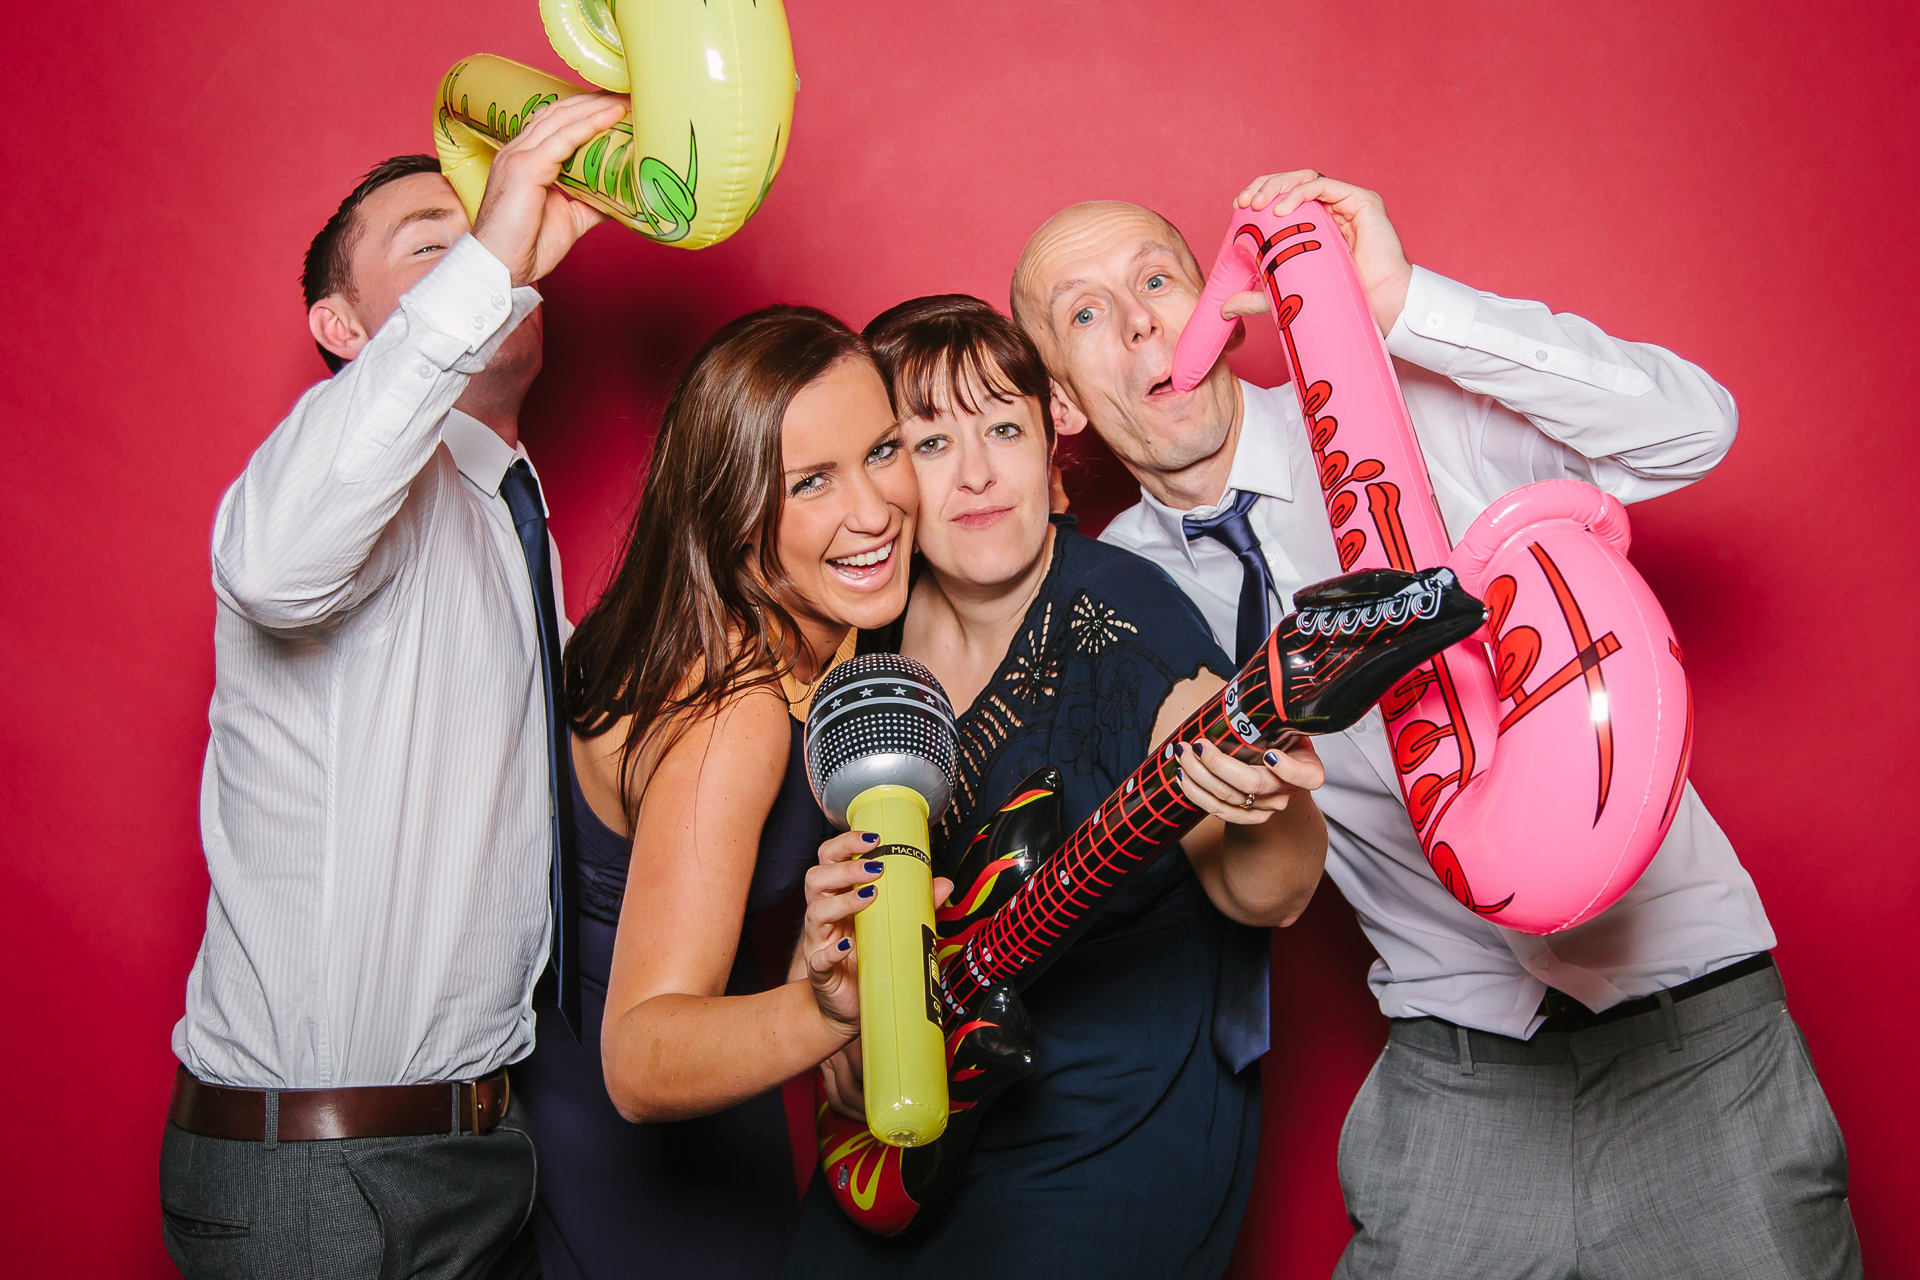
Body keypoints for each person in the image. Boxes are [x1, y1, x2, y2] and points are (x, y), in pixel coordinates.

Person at [1011, 172, 1863, 1279]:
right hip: (1457, 1078)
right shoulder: (1106, 597)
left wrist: (1405, 303)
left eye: (1158, 280)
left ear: (1216, 306)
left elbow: (1693, 431)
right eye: (1085, 312)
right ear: (1064, 402)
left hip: (1697, 1045)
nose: (1137, 321)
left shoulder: (1400, 412)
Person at [160, 91, 629, 1280]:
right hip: (319, 1180)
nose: (491, 246)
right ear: (343, 323)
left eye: (492, 233)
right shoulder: (333, 483)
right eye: (437, 240)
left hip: (485, 1151)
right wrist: (491, 248)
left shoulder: (509, 523)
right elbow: (269, 566)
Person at [783, 295, 1329, 1279]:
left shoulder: (1132, 623)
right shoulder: (867, 623)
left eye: (1004, 427)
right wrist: (819, 985)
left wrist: (1266, 799)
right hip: (911, 1109)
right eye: (931, 440)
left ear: (1050, 450)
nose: (980, 471)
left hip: (1108, 1120)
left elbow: (1269, 891)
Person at [511, 306, 933, 1277]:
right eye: (812, 481)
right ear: (736, 506)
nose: (873, 510)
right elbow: (641, 1054)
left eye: (881, 450)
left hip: (728, 1098)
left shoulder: (798, 620)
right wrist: (829, 1010)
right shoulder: (730, 706)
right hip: (638, 1149)